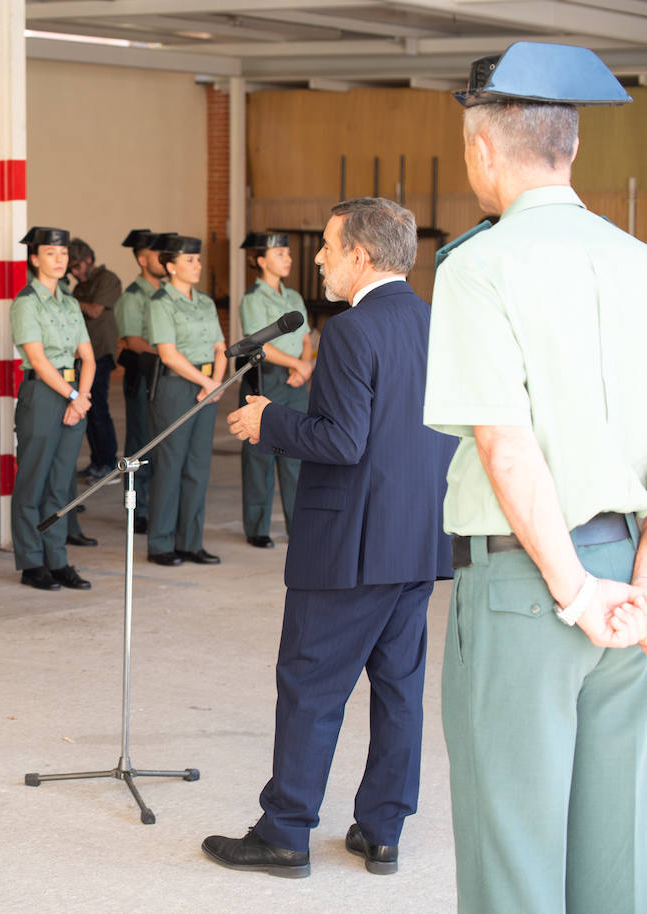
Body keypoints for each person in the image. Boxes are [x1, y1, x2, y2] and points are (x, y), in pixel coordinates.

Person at [425, 42, 647, 913]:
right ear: (573, 148)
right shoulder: (638, 261)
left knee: (513, 849)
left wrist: (571, 592)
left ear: (481, 150)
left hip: (529, 589)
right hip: (626, 586)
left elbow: (505, 447)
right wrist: (630, 587)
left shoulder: (480, 265)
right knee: (616, 850)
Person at [203, 197, 457, 879]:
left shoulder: (349, 331)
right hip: (414, 541)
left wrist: (269, 422)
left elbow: (342, 441)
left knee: (311, 689)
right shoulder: (436, 324)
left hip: (348, 545)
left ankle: (284, 832)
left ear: (360, 255)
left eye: (326, 245)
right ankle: (382, 831)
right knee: (399, 692)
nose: (317, 257)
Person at [10, 226, 94, 591]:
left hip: (74, 393)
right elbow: (38, 361)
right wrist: (74, 398)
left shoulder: (70, 302)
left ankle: (57, 559)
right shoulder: (26, 302)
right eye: (51, 254)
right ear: (34, 259)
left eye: (63, 255)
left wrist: (82, 396)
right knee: (33, 480)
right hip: (44, 394)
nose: (59, 260)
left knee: (61, 483)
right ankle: (32, 562)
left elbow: (87, 358)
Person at [143, 233, 225, 566]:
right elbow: (169, 354)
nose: (197, 265)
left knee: (198, 467)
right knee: (170, 465)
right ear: (171, 266)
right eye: (189, 260)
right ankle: (161, 544)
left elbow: (221, 347)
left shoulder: (204, 301)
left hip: (207, 387)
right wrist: (208, 382)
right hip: (177, 388)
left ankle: (191, 541)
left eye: (197, 259)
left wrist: (217, 382)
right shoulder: (161, 302)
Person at [237, 231, 312, 549]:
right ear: (260, 260)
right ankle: (257, 527)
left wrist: (303, 364)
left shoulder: (293, 297)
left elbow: (307, 336)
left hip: (295, 380)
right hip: (266, 378)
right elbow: (258, 342)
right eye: (281, 254)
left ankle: (300, 526)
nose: (288, 259)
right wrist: (298, 365)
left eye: (288, 253)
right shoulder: (252, 299)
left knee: (296, 453)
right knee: (260, 454)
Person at [113, 229, 164, 534]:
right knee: (140, 443)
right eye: (160, 255)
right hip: (144, 376)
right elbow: (132, 340)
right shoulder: (133, 297)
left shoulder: (169, 293)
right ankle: (138, 508)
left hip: (167, 377)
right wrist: (168, 352)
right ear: (144, 260)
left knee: (163, 444)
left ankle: (157, 505)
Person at [67, 238, 121, 480]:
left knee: (99, 409)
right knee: (86, 410)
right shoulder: (80, 287)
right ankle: (96, 461)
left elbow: (95, 310)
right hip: (82, 356)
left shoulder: (108, 279)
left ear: (89, 260)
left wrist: (68, 301)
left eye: (77, 266)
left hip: (100, 354)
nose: (74, 273)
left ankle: (109, 463)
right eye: (71, 269)